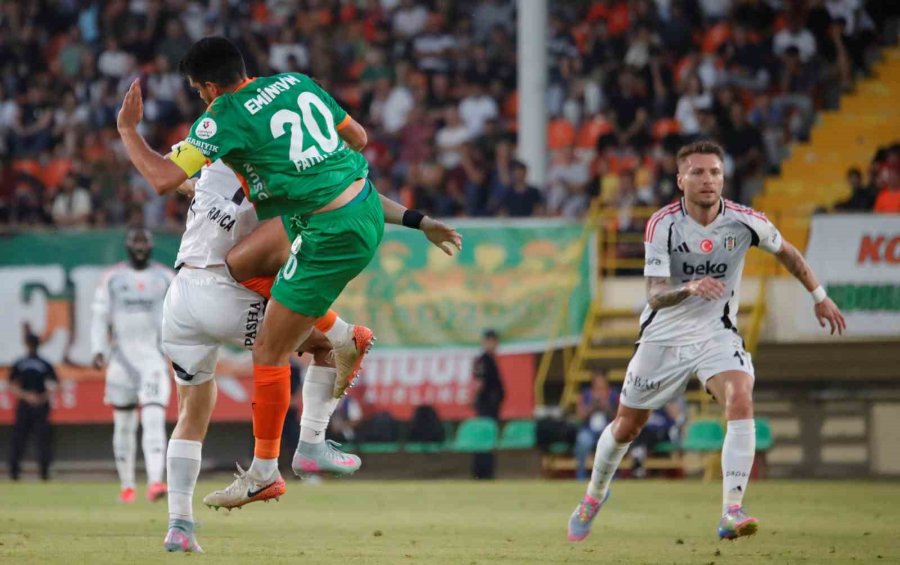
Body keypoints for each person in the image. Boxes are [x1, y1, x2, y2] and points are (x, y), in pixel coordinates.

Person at [116, 36, 461, 515]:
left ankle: (271, 467)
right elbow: (358, 140)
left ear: (210, 88)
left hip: (329, 232)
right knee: (243, 265)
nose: (202, 100)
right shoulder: (296, 83)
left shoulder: (222, 117)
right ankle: (322, 397)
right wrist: (419, 220)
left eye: (199, 92)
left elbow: (160, 179)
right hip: (359, 208)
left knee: (270, 350)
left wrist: (129, 130)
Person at [567, 140, 846, 542]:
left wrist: (820, 297)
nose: (707, 179)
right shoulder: (663, 224)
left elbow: (787, 253)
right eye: (697, 172)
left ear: (723, 177)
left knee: (741, 395)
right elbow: (654, 295)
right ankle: (594, 495)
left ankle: (732, 510)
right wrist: (692, 286)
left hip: (716, 332)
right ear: (681, 180)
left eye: (714, 172)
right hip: (663, 334)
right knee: (627, 426)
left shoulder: (745, 221)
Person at [158, 160, 372, 552]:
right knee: (322, 346)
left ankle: (179, 525)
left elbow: (174, 180)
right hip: (222, 293)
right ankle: (310, 446)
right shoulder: (272, 175)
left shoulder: (208, 170)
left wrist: (128, 131)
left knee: (190, 413)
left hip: (178, 299)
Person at [91, 227, 175, 503]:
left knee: (153, 419)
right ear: (127, 245)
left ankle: (155, 483)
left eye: (144, 242)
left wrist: (178, 349)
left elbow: (177, 315)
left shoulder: (165, 277)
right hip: (120, 362)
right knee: (124, 424)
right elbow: (99, 315)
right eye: (135, 241)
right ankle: (127, 486)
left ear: (151, 246)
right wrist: (98, 349)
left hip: (152, 360)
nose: (140, 246)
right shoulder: (113, 278)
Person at [8, 332, 57, 481]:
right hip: (33, 404)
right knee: (23, 439)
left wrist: (31, 397)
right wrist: (34, 396)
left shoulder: (24, 363)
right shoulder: (41, 363)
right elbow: (12, 384)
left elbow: (11, 385)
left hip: (33, 404)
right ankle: (23, 471)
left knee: (38, 439)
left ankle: (37, 472)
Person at [472, 329, 505, 479]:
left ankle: (487, 471)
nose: (494, 345)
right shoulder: (482, 360)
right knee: (483, 438)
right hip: (485, 405)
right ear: (485, 342)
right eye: (491, 341)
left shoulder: (492, 360)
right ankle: (481, 472)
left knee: (490, 438)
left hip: (492, 406)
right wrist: (476, 398)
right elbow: (479, 383)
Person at [573, 371, 613, 481]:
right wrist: (592, 406)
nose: (599, 385)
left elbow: (618, 416)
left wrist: (605, 406)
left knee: (613, 443)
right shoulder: (584, 395)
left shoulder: (614, 394)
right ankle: (580, 475)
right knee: (583, 440)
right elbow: (579, 416)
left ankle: (611, 476)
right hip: (588, 430)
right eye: (597, 382)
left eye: (602, 382)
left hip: (608, 430)